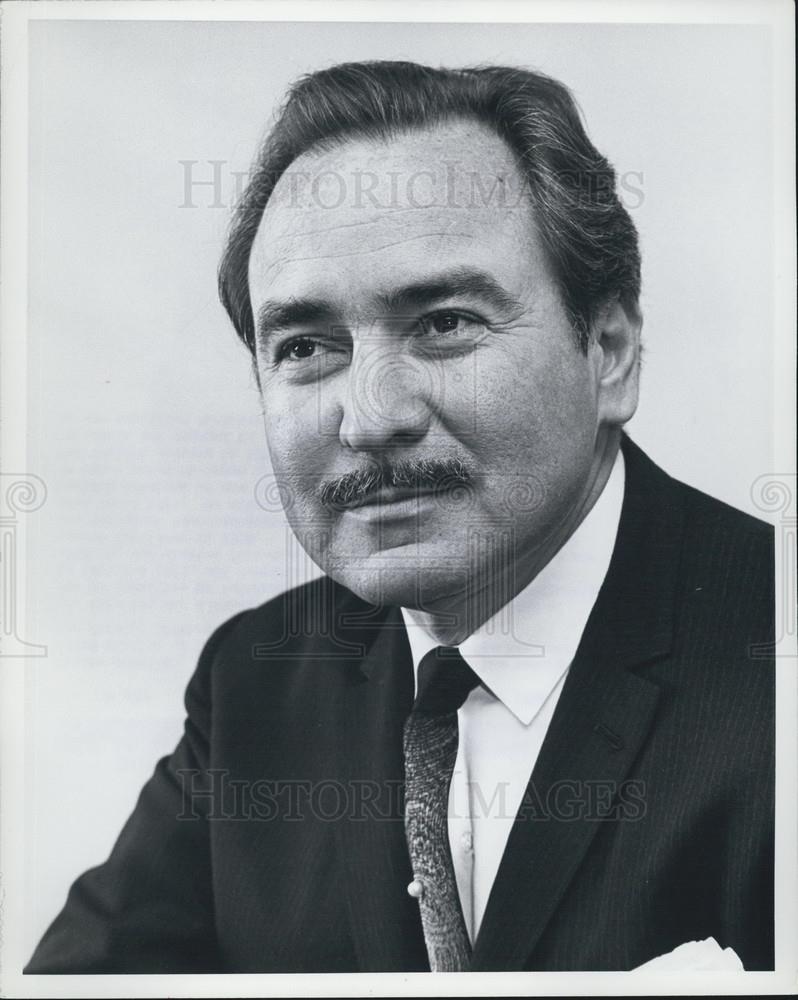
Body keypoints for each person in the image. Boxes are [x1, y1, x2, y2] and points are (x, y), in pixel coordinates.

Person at [25, 60, 774, 974]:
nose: (372, 416)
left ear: (609, 354)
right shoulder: (255, 686)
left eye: (446, 324)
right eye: (305, 347)